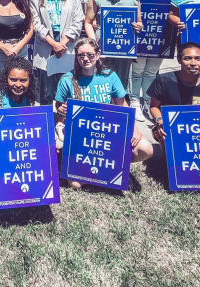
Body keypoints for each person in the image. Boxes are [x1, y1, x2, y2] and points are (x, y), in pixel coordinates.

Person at [53, 38, 153, 189]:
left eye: (90, 55)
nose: (85, 59)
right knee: (75, 184)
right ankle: (87, 164)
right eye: (81, 55)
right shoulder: (67, 79)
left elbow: (123, 104)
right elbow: (59, 105)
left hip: (107, 131)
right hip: (80, 134)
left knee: (146, 149)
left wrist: (134, 128)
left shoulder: (109, 76)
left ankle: (115, 165)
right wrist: (62, 109)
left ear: (98, 54)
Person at [29, 0, 84, 105]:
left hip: (68, 44)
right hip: (46, 45)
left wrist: (62, 44)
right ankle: (47, 123)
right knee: (46, 92)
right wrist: (54, 44)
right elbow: (36, 23)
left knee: (68, 88)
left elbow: (78, 20)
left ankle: (64, 122)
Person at [84, 0, 144, 93]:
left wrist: (139, 26)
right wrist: (93, 43)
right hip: (103, 47)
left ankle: (120, 106)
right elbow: (88, 22)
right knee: (102, 78)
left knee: (122, 81)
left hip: (124, 48)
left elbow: (139, 22)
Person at [129, 0, 175, 121]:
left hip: (161, 40)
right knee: (137, 72)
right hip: (139, 39)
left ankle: (147, 101)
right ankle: (134, 99)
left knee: (150, 73)